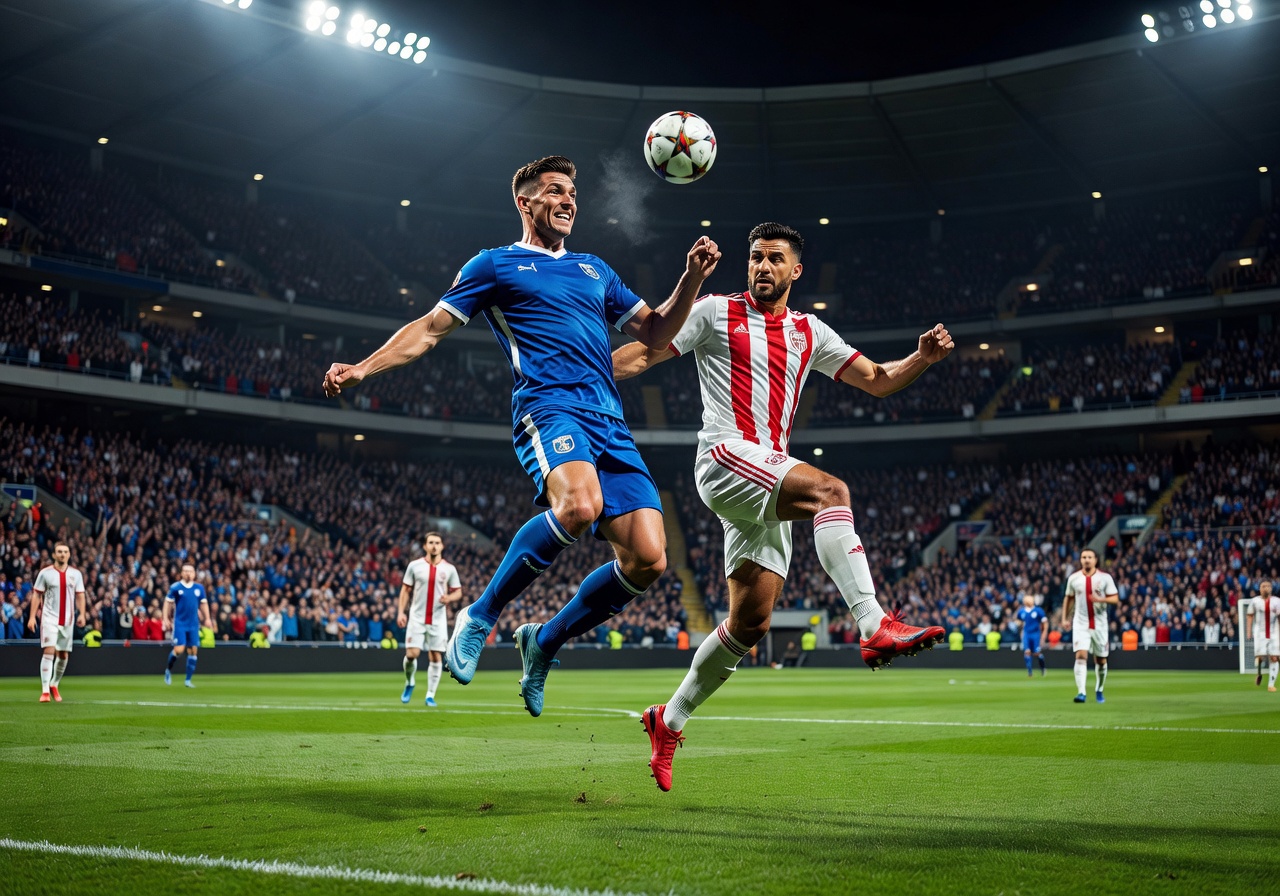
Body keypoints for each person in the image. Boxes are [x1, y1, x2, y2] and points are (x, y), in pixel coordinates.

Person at [323, 155, 721, 717]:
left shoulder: (595, 269)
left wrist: (692, 280)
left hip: (609, 420)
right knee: (581, 506)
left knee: (650, 560)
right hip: (549, 408)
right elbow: (430, 329)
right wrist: (364, 367)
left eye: (573, 194)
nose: (568, 201)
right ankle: (480, 615)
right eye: (555, 191)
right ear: (525, 202)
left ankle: (544, 641)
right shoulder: (495, 265)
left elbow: (655, 332)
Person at [612, 221, 950, 791]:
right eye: (755, 258)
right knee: (832, 492)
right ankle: (874, 623)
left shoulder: (809, 331)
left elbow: (876, 380)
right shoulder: (714, 310)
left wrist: (920, 359)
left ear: (795, 271)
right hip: (725, 456)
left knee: (751, 622)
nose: (762, 267)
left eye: (774, 259)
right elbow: (642, 357)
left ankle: (667, 721)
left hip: (763, 476)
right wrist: (579, 373)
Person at [397, 532, 462, 706]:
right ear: (425, 546)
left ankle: (430, 695)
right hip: (417, 618)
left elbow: (458, 592)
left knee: (435, 657)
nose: (434, 545)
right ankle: (409, 682)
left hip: (437, 620)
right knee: (412, 654)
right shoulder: (414, 566)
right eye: (431, 542)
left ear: (442, 546)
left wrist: (449, 598)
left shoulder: (449, 569)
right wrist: (401, 612)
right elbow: (405, 590)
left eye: (437, 542)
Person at [27, 542, 87, 703]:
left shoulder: (76, 574)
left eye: (65, 552)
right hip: (49, 618)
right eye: (59, 551)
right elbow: (36, 595)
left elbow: (80, 595)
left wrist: (82, 614)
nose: (62, 554)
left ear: (69, 554)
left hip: (68, 620)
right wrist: (32, 617)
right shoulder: (45, 573)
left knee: (63, 654)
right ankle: (45, 690)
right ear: (54, 555)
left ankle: (54, 684)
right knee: (49, 651)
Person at [1061, 548, 1119, 704]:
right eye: (1083, 557)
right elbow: (1069, 599)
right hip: (1080, 623)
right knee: (1080, 655)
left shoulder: (1105, 578)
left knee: (1101, 660)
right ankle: (1081, 692)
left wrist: (1101, 600)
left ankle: (1099, 690)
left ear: (1095, 560)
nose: (1086, 559)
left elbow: (1115, 599)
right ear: (1080, 560)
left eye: (1089, 557)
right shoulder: (1074, 578)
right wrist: (1064, 618)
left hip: (1100, 624)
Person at [162, 563, 212, 687]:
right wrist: (165, 618)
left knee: (193, 651)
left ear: (194, 573)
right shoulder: (176, 587)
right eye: (185, 571)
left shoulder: (199, 588)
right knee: (179, 650)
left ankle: (188, 680)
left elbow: (204, 603)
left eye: (190, 571)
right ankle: (168, 669)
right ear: (181, 573)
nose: (188, 573)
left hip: (194, 624)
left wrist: (208, 618)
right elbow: (167, 602)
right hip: (180, 623)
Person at [1246, 580, 1279, 692]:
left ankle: (1271, 684)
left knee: (1275, 657)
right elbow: (1250, 616)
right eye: (1263, 586)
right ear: (1259, 588)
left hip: (1274, 632)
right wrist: (1248, 632)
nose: (1266, 588)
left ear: (1271, 588)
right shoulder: (1254, 601)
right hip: (1260, 633)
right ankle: (1259, 673)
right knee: (1260, 658)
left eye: (1268, 586)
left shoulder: (1277, 601)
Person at [1016, 593, 1048, 677]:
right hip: (1026, 633)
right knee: (1027, 652)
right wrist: (1020, 629)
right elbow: (1019, 621)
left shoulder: (1038, 611)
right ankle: (1030, 672)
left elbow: (1045, 623)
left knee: (1037, 653)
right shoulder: (1022, 611)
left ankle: (1043, 668)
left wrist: (1044, 634)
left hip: (1035, 634)